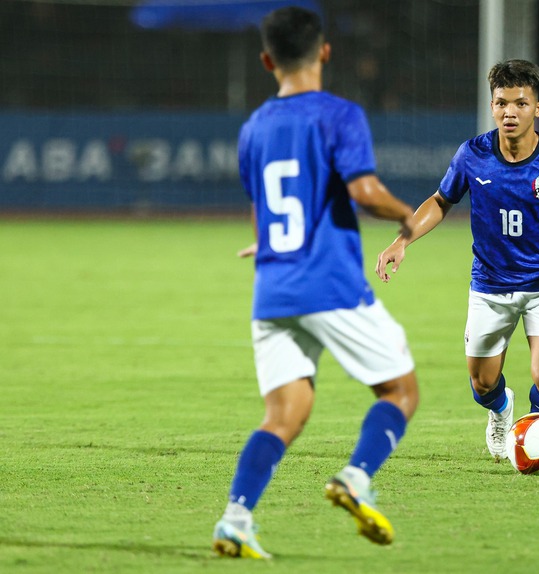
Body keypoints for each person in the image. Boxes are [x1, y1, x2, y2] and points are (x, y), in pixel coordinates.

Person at [212, 7, 419, 559]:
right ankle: (356, 477)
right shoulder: (339, 113)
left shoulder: (253, 127)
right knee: (400, 391)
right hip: (327, 284)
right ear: (325, 52)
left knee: (284, 415)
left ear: (265, 60)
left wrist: (270, 241)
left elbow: (263, 209)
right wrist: (407, 215)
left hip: (272, 289)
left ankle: (236, 517)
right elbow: (366, 191)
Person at [376, 59, 539, 462]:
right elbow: (440, 200)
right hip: (489, 287)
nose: (509, 112)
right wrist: (402, 240)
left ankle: (535, 436)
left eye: (520, 103)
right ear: (492, 105)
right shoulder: (473, 155)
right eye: (501, 103)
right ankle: (502, 412)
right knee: (483, 385)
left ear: (537, 108)